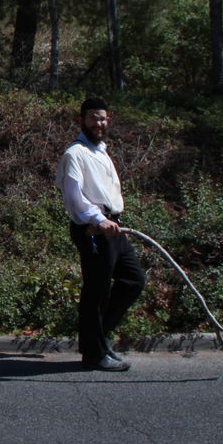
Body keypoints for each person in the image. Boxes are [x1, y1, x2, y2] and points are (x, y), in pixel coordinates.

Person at [56, 96, 146, 372]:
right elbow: (73, 197)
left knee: (134, 280)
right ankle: (94, 354)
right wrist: (98, 219)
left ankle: (99, 338)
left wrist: (110, 221)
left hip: (113, 227)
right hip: (94, 229)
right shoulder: (75, 153)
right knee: (96, 291)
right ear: (81, 119)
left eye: (103, 118)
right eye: (94, 117)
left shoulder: (100, 151)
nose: (99, 123)